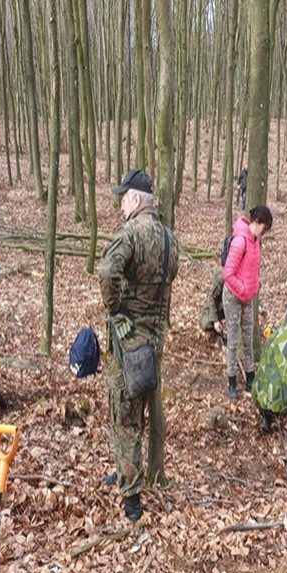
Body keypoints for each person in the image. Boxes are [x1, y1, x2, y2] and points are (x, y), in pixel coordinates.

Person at [98, 169, 180, 523]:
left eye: (123, 197)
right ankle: (126, 469)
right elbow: (168, 280)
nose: (120, 204)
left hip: (129, 343)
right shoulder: (169, 239)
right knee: (141, 408)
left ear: (135, 199)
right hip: (154, 340)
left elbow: (106, 273)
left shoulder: (130, 233)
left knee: (125, 416)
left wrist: (116, 308)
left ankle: (131, 499)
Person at [223, 204, 272, 399]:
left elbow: (253, 268)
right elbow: (228, 273)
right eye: (264, 228)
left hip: (248, 298)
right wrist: (242, 289)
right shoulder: (240, 241)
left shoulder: (257, 242)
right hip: (233, 298)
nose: (264, 232)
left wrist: (255, 284)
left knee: (248, 341)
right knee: (233, 341)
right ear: (257, 222)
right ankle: (232, 382)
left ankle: (250, 380)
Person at [200, 267, 225, 347]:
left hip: (233, 308)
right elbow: (212, 299)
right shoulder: (221, 279)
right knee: (205, 323)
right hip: (220, 307)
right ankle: (217, 332)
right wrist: (215, 320)